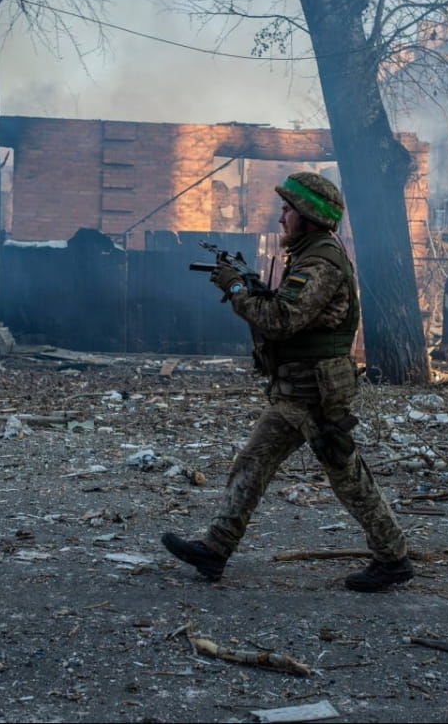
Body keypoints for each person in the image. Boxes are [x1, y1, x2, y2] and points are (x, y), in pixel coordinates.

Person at [161, 172, 413, 593]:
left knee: (346, 474)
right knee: (253, 463)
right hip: (294, 390)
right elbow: (290, 310)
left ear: (308, 216)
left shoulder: (320, 262)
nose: (280, 218)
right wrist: (255, 288)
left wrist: (239, 289)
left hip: (316, 392)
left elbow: (281, 320)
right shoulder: (308, 254)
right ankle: (215, 549)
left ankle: (394, 558)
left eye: (287, 210)